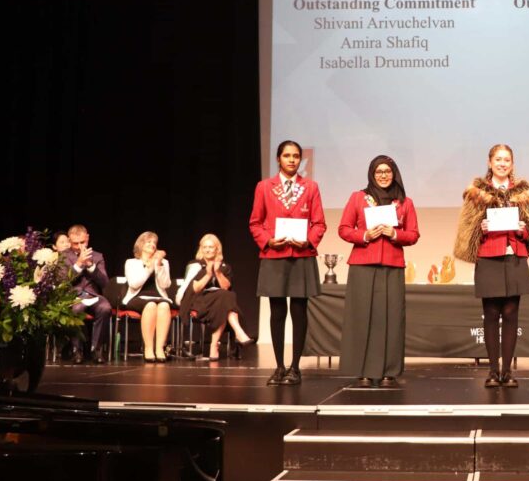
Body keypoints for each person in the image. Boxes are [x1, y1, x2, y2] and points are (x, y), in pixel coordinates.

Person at [454, 144, 529, 388]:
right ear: (490, 162)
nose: (502, 164)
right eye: (498, 159)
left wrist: (523, 230)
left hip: (514, 256)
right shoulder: (477, 193)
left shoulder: (524, 193)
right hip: (488, 257)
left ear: (512, 164)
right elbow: (467, 230)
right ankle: (493, 371)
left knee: (512, 314)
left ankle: (508, 371)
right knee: (492, 314)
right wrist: (480, 228)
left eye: (506, 160)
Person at [338, 156, 420, 388]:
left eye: (387, 171)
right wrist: (365, 235)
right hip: (362, 264)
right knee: (361, 316)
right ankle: (362, 370)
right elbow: (344, 229)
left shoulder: (405, 202)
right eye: (378, 171)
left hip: (392, 265)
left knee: (391, 319)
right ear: (372, 174)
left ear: (394, 174)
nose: (383, 175)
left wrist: (395, 234)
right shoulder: (358, 198)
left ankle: (388, 372)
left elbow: (413, 234)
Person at [249, 139, 326, 386]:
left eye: (296, 156)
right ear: (278, 159)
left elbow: (319, 223)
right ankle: (279, 366)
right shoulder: (264, 187)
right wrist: (268, 240)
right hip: (275, 255)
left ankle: (295, 368)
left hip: (301, 256)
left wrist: (309, 240)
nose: (292, 160)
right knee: (277, 311)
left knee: (299, 311)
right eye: (287, 156)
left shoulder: (310, 187)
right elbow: (255, 223)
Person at [176, 234, 255, 361]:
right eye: (205, 247)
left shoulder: (224, 267)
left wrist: (217, 272)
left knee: (224, 298)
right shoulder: (194, 265)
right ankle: (238, 333)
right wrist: (208, 274)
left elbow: (226, 286)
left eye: (211, 247)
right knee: (227, 298)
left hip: (218, 303)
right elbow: (195, 289)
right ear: (201, 249)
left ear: (217, 249)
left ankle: (214, 346)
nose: (207, 250)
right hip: (197, 301)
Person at [62, 225, 112, 364]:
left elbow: (104, 282)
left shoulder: (97, 256)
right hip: (73, 296)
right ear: (69, 241)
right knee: (76, 309)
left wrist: (90, 265)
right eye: (75, 243)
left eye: (82, 242)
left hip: (93, 295)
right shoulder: (63, 256)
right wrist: (78, 264)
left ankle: (96, 350)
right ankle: (76, 351)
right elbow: (62, 282)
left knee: (105, 308)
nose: (80, 246)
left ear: (88, 238)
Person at [122, 231, 173, 363]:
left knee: (164, 305)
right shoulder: (131, 263)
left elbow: (166, 284)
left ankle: (159, 348)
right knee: (150, 305)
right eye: (148, 242)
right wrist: (149, 267)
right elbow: (134, 284)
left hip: (159, 297)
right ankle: (148, 348)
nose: (152, 244)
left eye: (154, 242)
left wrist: (159, 264)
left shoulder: (164, 262)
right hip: (137, 297)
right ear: (140, 245)